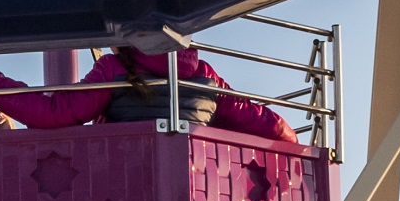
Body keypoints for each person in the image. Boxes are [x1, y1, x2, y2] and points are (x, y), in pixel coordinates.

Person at [90, 45, 290, 140]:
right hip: (198, 191)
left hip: (119, 181)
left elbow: (61, 111)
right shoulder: (207, 76)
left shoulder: (111, 69)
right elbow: (272, 127)